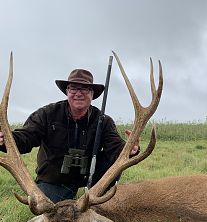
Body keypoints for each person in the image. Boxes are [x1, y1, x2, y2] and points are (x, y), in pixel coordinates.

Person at [0, 69, 139, 203]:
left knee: (113, 163)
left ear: (92, 94)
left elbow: (114, 147)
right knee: (47, 208)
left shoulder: (103, 120)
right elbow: (26, 137)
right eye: (73, 88)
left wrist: (129, 149)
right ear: (67, 91)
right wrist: (5, 140)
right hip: (56, 179)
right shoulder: (47, 114)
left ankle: (100, 196)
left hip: (90, 176)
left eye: (84, 89)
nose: (78, 93)